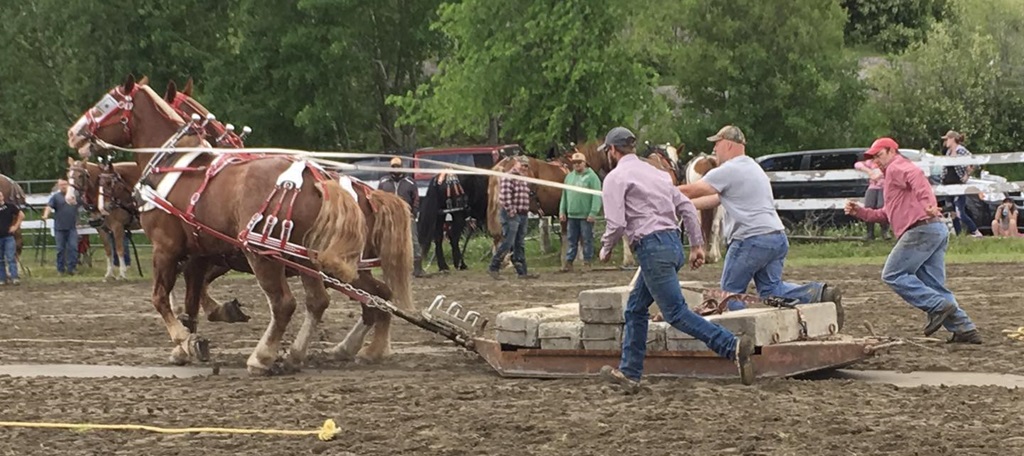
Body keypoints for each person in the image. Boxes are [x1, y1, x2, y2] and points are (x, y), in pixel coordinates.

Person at [596, 126, 754, 392]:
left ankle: (732, 347)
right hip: (672, 245)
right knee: (635, 309)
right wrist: (696, 245)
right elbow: (686, 209)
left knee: (676, 313)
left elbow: (616, 222)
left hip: (651, 249)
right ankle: (630, 373)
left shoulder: (615, 178)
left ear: (612, 150)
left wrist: (605, 248)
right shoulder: (658, 175)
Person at [677, 125, 843, 321]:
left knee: (731, 294)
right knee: (772, 290)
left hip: (750, 239)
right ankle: (819, 293)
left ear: (729, 145)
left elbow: (693, 190)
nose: (714, 150)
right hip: (776, 237)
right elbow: (713, 200)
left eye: (717, 144)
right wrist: (681, 205)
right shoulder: (753, 168)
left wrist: (659, 192)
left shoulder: (729, 169)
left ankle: (740, 335)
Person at [846, 137, 981, 344]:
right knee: (934, 285)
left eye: (879, 155)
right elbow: (886, 214)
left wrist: (928, 203)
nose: (876, 162)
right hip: (934, 229)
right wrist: (861, 212)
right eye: (873, 158)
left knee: (893, 274)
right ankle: (965, 328)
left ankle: (937, 306)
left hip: (920, 230)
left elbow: (916, 176)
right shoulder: (893, 178)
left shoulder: (897, 167)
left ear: (892, 151)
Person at [488, 156, 537, 280]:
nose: (524, 168)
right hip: (512, 215)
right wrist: (511, 211)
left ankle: (522, 271)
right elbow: (504, 197)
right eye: (522, 165)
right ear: (516, 164)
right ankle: (494, 266)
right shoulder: (508, 177)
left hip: (523, 214)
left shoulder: (524, 179)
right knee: (508, 242)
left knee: (519, 243)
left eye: (526, 166)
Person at [378, 156, 424, 277]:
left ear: (402, 167)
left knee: (413, 240)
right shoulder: (383, 182)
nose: (396, 169)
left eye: (398, 166)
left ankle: (418, 268)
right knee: (389, 241)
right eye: (394, 166)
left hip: (407, 216)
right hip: (390, 217)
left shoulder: (410, 182)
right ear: (390, 168)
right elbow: (378, 199)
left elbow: (416, 199)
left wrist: (413, 213)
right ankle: (391, 267)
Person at [558, 152, 602, 272]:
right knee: (572, 239)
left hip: (586, 215)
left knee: (587, 239)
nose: (576, 165)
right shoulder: (569, 177)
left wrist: (593, 212)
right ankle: (569, 262)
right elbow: (565, 195)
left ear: (584, 163)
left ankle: (587, 261)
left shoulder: (592, 177)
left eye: (579, 162)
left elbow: (596, 196)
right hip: (572, 214)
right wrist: (562, 211)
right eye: (574, 163)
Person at [941, 130, 982, 237]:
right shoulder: (948, 152)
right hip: (948, 185)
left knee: (960, 211)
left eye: (947, 139)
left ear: (953, 139)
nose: (945, 142)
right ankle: (959, 234)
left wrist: (967, 174)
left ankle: (975, 231)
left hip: (958, 184)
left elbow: (975, 162)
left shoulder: (961, 151)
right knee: (952, 212)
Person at [42, 177, 81, 276]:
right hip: (59, 228)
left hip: (72, 227)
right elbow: (49, 206)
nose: (63, 186)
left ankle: (72, 268)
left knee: (73, 248)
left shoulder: (74, 196)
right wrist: (46, 215)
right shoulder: (56, 197)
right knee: (60, 249)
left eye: (65, 184)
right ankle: (60, 269)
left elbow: (82, 204)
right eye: (61, 185)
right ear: (58, 186)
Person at [854, 157, 889, 240]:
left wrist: (879, 174)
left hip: (884, 187)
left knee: (881, 206)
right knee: (868, 206)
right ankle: (870, 232)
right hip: (873, 186)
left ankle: (884, 231)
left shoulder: (886, 162)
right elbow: (857, 164)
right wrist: (868, 171)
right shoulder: (871, 162)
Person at [0, 190, 24, 285]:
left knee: (10, 257)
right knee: (0, 259)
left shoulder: (10, 207)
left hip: (8, 237)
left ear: (2, 197)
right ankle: (2, 278)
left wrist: (15, 226)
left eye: (0, 196)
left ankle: (14, 277)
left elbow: (21, 215)